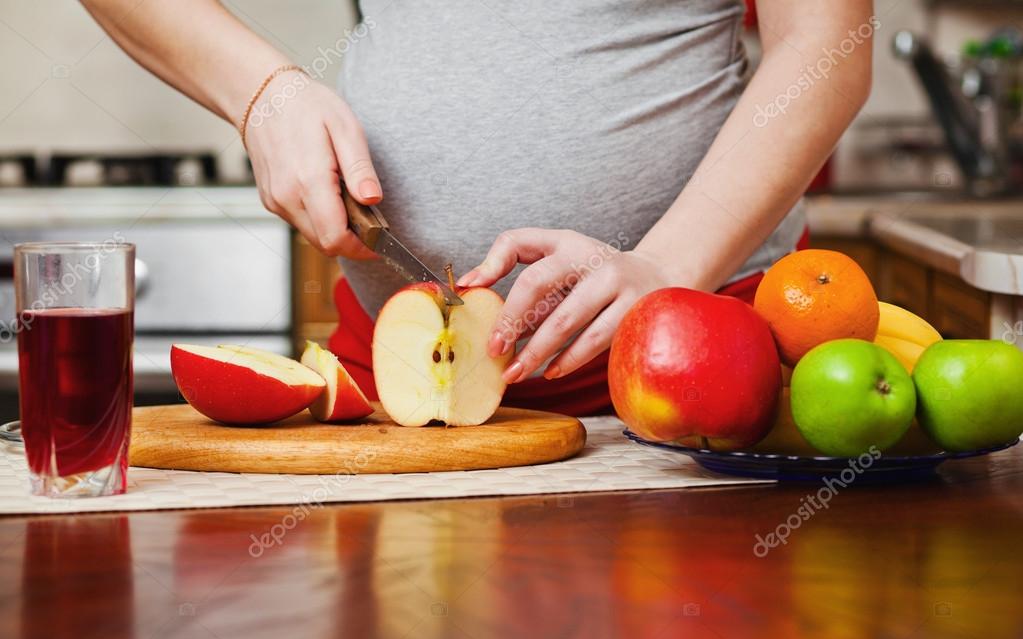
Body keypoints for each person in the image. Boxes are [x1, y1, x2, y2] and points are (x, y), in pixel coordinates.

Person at [84, 0, 873, 415]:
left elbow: (828, 39)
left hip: (707, 375)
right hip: (396, 388)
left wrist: (667, 265)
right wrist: (258, 91)